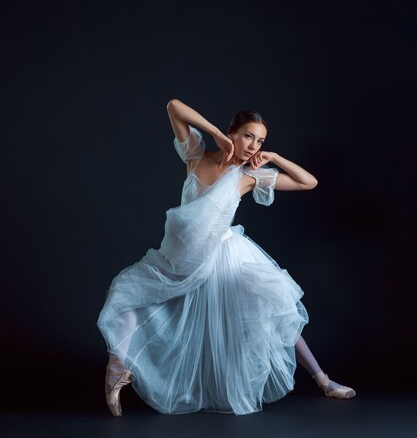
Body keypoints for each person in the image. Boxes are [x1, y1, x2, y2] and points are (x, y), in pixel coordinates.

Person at [97, 98, 356, 417]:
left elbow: (308, 182)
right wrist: (214, 133)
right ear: (232, 132)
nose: (254, 145)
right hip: (179, 258)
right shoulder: (195, 156)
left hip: (225, 257)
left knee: (274, 310)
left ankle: (324, 380)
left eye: (260, 140)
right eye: (248, 136)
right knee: (126, 292)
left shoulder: (249, 177)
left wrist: (274, 157)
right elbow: (174, 107)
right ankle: (118, 367)